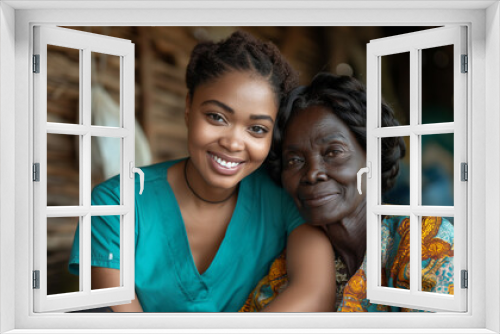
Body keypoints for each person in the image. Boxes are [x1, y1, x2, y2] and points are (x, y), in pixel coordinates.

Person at [68, 31, 336, 312]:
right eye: (216, 117)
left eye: (257, 129)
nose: (233, 142)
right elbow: (120, 319)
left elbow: (314, 292)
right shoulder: (115, 202)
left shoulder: (285, 198)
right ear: (188, 108)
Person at [240, 73, 454, 312]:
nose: (312, 173)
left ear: (371, 159)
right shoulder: (289, 273)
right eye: (295, 160)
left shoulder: (422, 242)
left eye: (333, 152)